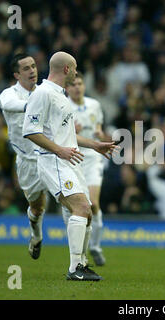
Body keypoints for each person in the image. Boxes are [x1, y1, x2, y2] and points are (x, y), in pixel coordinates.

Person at [22, 51, 117, 281]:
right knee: (82, 208)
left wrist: (94, 145)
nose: (75, 72)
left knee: (88, 213)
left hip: (68, 160)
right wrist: (59, 150)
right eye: (74, 68)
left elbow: (68, 138)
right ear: (66, 69)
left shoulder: (60, 96)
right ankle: (75, 269)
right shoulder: (42, 94)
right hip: (54, 161)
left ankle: (81, 264)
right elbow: (30, 131)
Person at [0, 53, 47, 260]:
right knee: (37, 208)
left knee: (72, 203)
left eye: (34, 66)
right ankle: (36, 236)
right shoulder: (8, 95)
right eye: (26, 68)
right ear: (17, 74)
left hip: (52, 155)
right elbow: (9, 105)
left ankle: (78, 261)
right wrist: (33, 106)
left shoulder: (46, 92)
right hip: (28, 163)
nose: (32, 71)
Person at [66, 72, 106, 266]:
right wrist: (71, 132)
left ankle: (95, 246)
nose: (77, 87)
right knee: (81, 207)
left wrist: (100, 132)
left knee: (94, 204)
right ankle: (81, 252)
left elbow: (99, 129)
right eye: (73, 84)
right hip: (73, 158)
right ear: (67, 88)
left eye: (80, 83)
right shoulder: (64, 107)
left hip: (93, 158)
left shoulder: (94, 105)